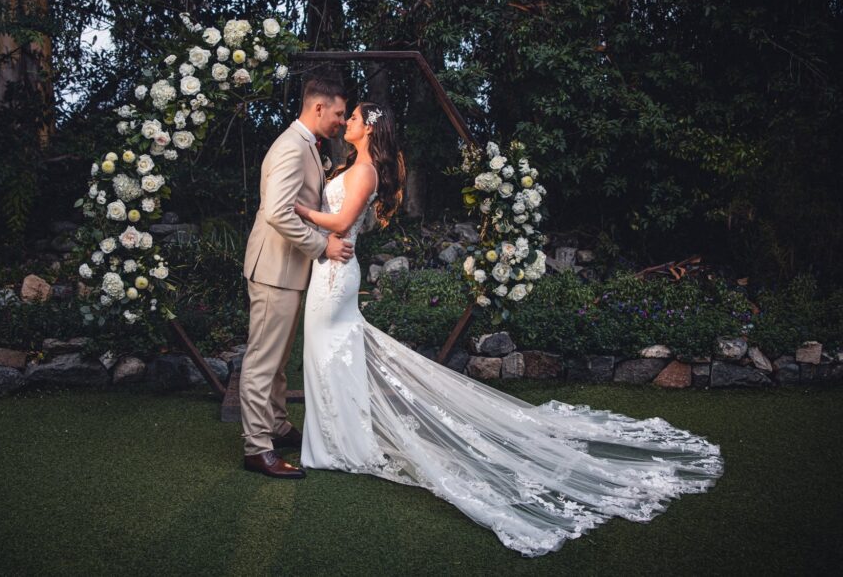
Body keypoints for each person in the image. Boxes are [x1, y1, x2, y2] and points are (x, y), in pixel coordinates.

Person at [291, 102, 725, 557]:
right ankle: (339, 439)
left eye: (356, 118)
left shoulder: (363, 174)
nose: (349, 123)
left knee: (332, 350)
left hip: (336, 274)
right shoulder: (351, 166)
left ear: (370, 130)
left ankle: (340, 444)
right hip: (330, 271)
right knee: (330, 354)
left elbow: (340, 223)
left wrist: (302, 209)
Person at [239, 78, 355, 479]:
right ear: (318, 108)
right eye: (339, 113)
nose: (342, 120)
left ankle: (275, 423)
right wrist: (322, 246)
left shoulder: (305, 145)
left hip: (286, 269)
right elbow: (277, 212)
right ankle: (257, 446)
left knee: (278, 357)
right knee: (262, 360)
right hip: (274, 268)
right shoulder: (291, 147)